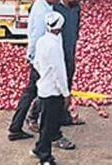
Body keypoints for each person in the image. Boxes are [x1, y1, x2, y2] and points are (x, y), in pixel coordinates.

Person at [8, 0, 65, 141]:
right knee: (36, 92)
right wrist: (33, 58)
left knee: (32, 92)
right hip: (41, 59)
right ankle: (27, 126)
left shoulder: (43, 6)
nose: (60, 0)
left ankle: (18, 125)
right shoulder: (42, 12)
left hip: (39, 58)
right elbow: (37, 36)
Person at [29, 0, 89, 132]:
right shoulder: (54, 9)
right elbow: (40, 30)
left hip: (69, 52)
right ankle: (34, 116)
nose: (78, 1)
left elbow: (76, 27)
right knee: (47, 88)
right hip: (55, 54)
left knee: (66, 86)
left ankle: (64, 116)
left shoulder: (76, 9)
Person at [30, 12, 70, 165]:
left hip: (43, 87)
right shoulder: (55, 46)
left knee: (47, 121)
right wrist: (65, 93)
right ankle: (45, 157)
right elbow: (59, 72)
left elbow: (37, 64)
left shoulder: (42, 41)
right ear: (61, 27)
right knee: (49, 125)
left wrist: (43, 76)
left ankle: (39, 147)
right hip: (53, 91)